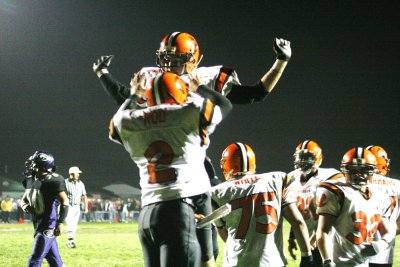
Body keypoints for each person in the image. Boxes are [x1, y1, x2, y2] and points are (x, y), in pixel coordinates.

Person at [109, 71, 232, 267]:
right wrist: (198, 88)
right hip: (178, 211)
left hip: (148, 214)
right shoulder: (189, 113)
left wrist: (133, 95)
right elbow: (225, 105)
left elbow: (115, 125)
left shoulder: (128, 121)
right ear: (179, 92)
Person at [93, 32, 291, 106]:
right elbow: (124, 98)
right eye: (166, 58)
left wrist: (281, 60)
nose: (169, 65)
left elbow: (255, 94)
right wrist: (103, 73)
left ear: (193, 60)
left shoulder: (205, 77)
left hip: (190, 152)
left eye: (176, 59)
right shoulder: (150, 75)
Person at [210, 142, 314, 267]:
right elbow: (298, 222)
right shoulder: (276, 179)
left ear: (227, 164)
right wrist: (307, 257)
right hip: (273, 262)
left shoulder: (218, 192)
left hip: (238, 263)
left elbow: (222, 231)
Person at [316, 147, 395, 267]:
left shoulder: (380, 196)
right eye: (353, 170)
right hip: (339, 263)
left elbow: (389, 232)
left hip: (363, 263)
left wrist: (381, 244)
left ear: (372, 170)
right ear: (345, 170)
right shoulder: (337, 191)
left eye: (363, 170)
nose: (358, 175)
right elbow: (323, 231)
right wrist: (327, 261)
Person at [284, 140, 345, 266]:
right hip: (306, 238)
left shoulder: (330, 177)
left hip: (326, 237)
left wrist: (319, 234)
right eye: (301, 158)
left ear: (318, 159)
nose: (303, 162)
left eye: (307, 158)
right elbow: (294, 211)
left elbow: (337, 210)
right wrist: (292, 237)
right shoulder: (291, 178)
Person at [20, 150, 69, 267]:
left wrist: (60, 223)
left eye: (33, 162)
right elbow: (24, 199)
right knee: (55, 262)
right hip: (38, 224)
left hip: (48, 225)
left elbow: (65, 201)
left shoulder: (54, 180)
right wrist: (25, 206)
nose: (31, 164)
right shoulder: (31, 179)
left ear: (41, 165)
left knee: (35, 260)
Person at [367, 145, 400, 267]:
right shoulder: (396, 185)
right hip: (384, 252)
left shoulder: (357, 183)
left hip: (356, 247)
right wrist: (393, 230)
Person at [64, 166, 88, 248]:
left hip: (77, 206)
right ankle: (70, 240)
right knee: (69, 222)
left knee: (74, 224)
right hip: (68, 205)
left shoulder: (80, 183)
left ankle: (70, 240)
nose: (78, 175)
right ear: (72, 174)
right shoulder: (65, 182)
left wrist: (86, 207)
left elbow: (84, 196)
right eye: (77, 173)